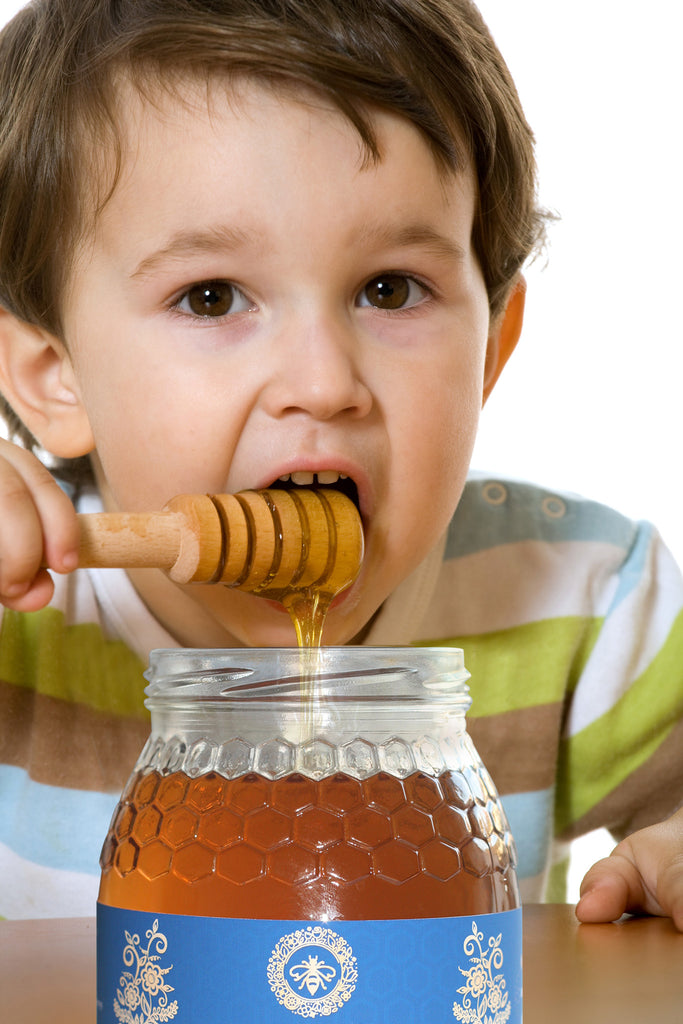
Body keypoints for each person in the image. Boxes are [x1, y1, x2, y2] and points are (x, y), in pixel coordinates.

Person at [0, 0, 681, 925]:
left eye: (389, 290)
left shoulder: (580, 600)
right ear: (54, 377)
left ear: (491, 348)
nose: (322, 385)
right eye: (210, 298)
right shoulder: (18, 631)